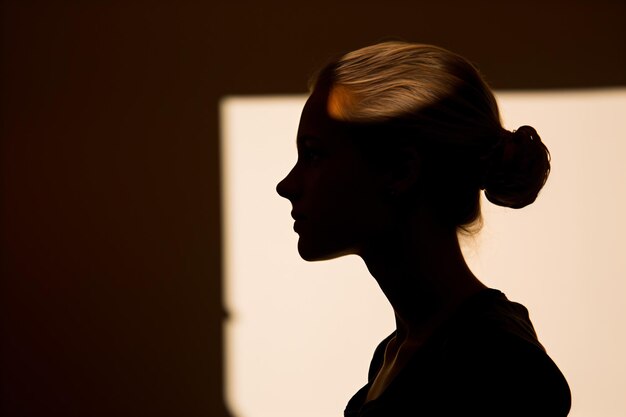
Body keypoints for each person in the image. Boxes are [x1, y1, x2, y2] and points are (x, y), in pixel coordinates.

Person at [276, 41, 571, 416]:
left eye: (314, 154)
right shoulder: (398, 353)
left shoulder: (499, 368)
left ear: (401, 171)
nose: (287, 185)